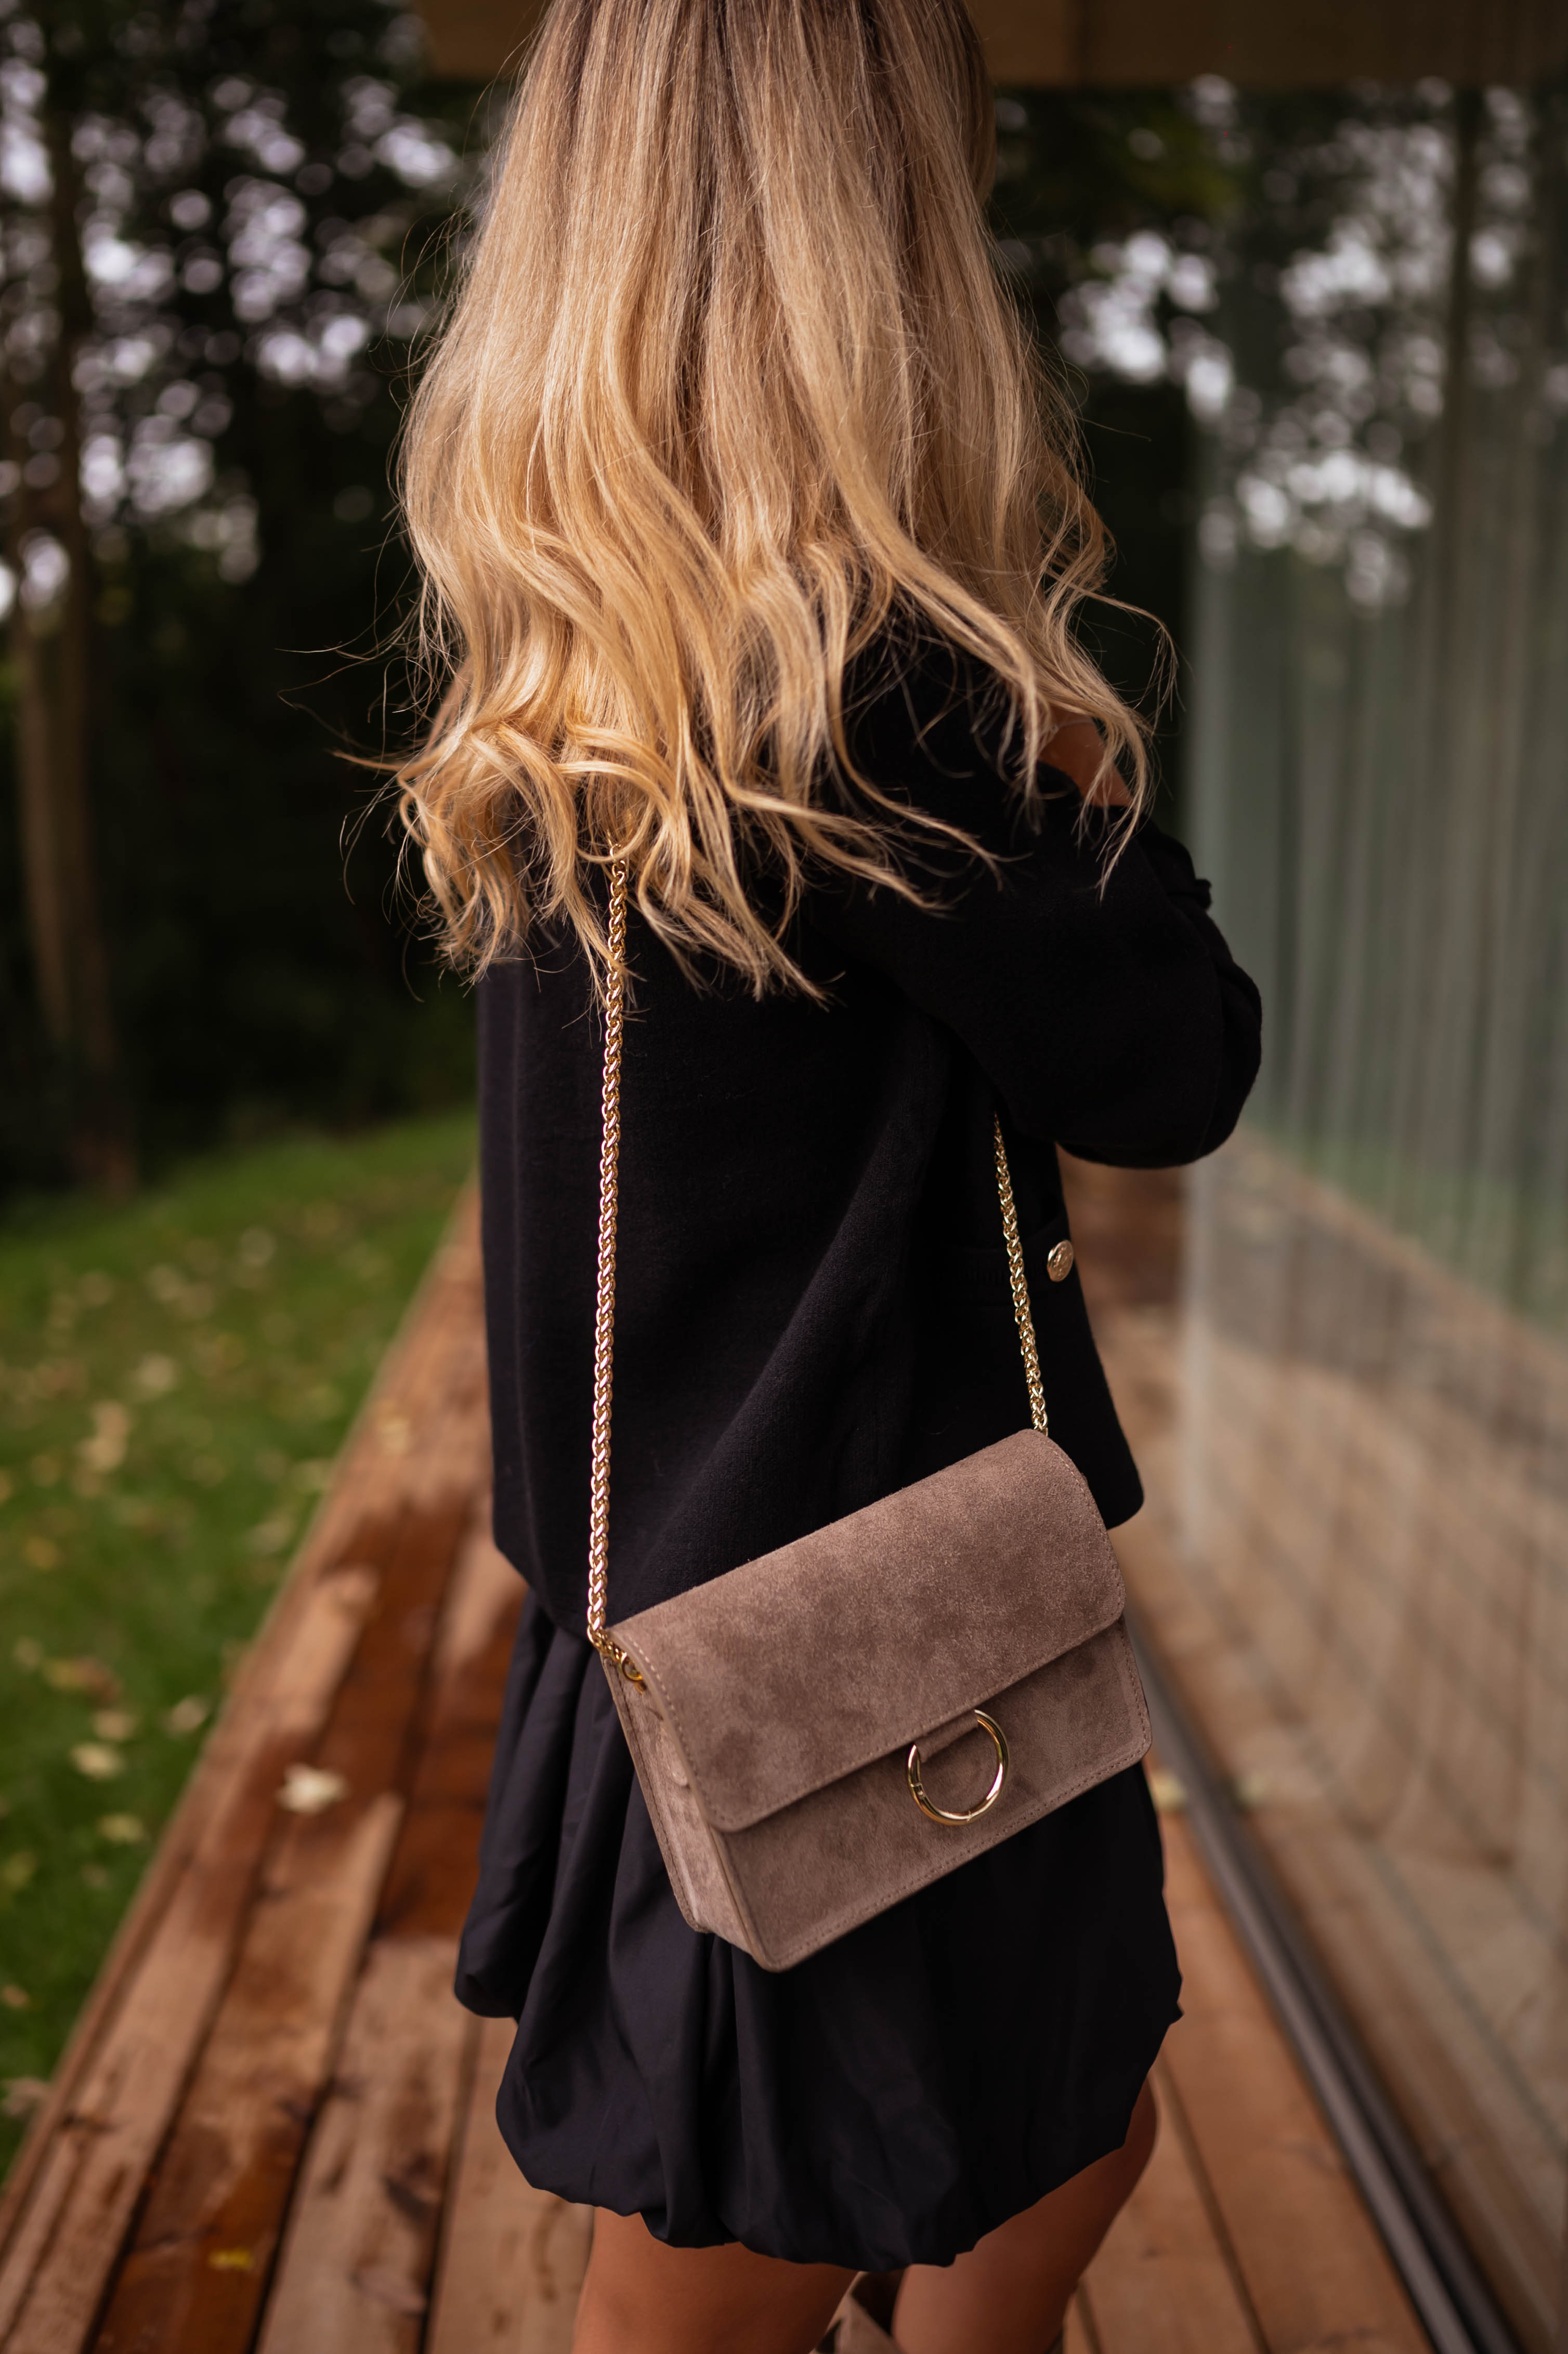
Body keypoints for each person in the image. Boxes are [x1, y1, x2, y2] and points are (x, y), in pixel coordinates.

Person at [396, 3, 1261, 2348]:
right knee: (811, 2232)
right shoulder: (895, 691)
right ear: (874, 235)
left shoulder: (587, 679)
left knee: (965, 2168)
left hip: (676, 1588)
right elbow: (1174, 1068)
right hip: (867, 1645)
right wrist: (1083, 781)